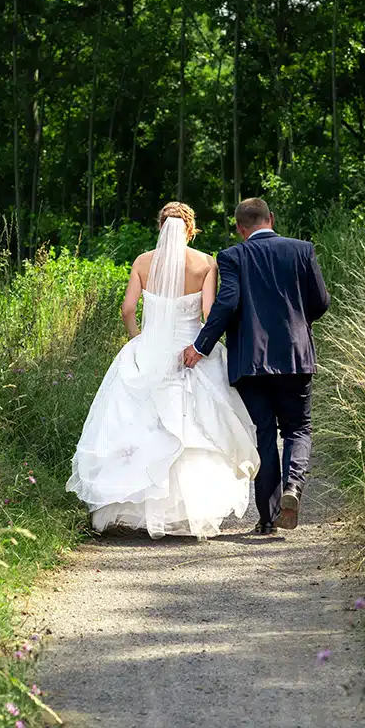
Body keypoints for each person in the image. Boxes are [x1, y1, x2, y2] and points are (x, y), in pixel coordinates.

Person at [67, 202, 260, 539]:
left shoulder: (142, 262)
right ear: (191, 229)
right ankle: (186, 510)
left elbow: (128, 308)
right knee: (192, 429)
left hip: (148, 349)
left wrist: (138, 339)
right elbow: (209, 311)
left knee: (137, 426)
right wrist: (202, 346)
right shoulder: (205, 264)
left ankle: (131, 507)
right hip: (190, 351)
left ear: (160, 227)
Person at [183, 198, 330, 535]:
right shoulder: (301, 250)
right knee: (298, 428)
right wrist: (295, 322)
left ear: (239, 227)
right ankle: (293, 486)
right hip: (295, 356)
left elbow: (227, 303)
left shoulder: (232, 256)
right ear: (271, 219)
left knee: (263, 433)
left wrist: (200, 346)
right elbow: (321, 302)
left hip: (250, 361)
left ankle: (267, 519)